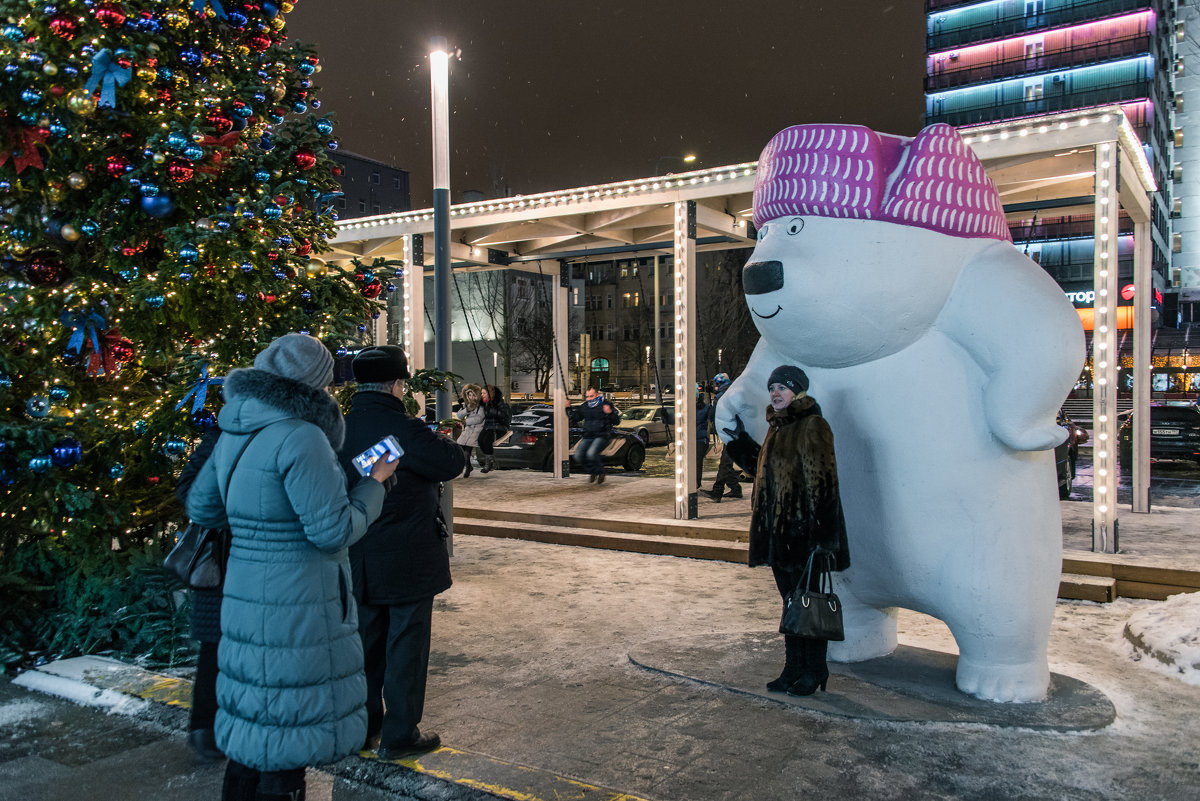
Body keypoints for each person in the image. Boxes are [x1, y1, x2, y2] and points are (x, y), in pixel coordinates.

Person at [185, 333, 398, 801]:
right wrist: (375, 484)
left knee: (253, 727)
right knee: (288, 732)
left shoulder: (237, 429)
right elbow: (333, 532)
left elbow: (203, 508)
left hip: (244, 596)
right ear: (317, 383)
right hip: (299, 604)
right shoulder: (303, 436)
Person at [338, 346, 465, 760]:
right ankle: (400, 733)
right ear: (396, 385)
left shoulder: (339, 428)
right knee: (406, 645)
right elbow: (450, 462)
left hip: (357, 554)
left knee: (366, 645)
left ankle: (364, 727)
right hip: (407, 556)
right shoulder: (403, 429)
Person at [746, 365, 849, 697]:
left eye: (783, 388)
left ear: (798, 392)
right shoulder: (776, 427)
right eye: (772, 386)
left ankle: (815, 669)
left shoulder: (811, 426)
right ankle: (793, 668)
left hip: (805, 538)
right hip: (779, 537)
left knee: (808, 604)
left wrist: (823, 540)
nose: (776, 393)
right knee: (792, 604)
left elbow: (825, 485)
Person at [174, 422, 224, 762]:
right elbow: (189, 491)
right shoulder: (221, 437)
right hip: (221, 561)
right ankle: (205, 727)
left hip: (232, 561)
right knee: (216, 648)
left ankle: (211, 727)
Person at [703, 372, 744, 502]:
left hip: (732, 435)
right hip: (735, 433)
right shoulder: (733, 394)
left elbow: (713, 414)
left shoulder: (722, 397)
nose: (714, 387)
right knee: (727, 463)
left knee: (725, 463)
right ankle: (735, 488)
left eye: (715, 384)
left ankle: (717, 491)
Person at [567, 387, 620, 483]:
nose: (589, 399)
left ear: (597, 395)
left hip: (602, 435)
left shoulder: (606, 404)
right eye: (587, 397)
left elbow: (616, 421)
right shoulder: (585, 406)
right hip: (588, 435)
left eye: (591, 396)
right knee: (578, 456)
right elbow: (576, 417)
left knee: (591, 454)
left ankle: (600, 472)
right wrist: (568, 408)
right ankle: (594, 471)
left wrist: (610, 413)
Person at [477, 384, 511, 473]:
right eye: (481, 393)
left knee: (487, 440)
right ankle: (492, 461)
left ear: (490, 393)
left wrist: (492, 411)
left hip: (498, 427)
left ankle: (488, 464)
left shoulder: (498, 402)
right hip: (488, 426)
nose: (482, 395)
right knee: (480, 440)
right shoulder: (485, 403)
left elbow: (504, 415)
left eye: (484, 393)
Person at [454, 383, 485, 478]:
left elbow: (479, 419)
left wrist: (466, 421)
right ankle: (467, 466)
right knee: (460, 448)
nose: (471, 397)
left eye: (473, 395)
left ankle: (467, 467)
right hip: (468, 431)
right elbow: (459, 415)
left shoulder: (481, 407)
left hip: (476, 430)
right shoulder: (467, 405)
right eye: (469, 395)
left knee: (467, 451)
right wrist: (467, 410)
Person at [695, 385, 712, 491]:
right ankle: (692, 481)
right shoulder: (683, 407)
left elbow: (711, 417)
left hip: (700, 439)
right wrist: (667, 417)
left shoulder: (705, 408)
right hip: (689, 439)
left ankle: (696, 482)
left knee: (697, 460)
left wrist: (712, 412)